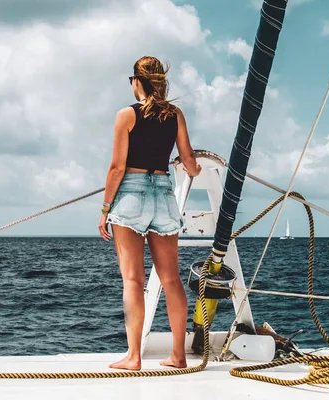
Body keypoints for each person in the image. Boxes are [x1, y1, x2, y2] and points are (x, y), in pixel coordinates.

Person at [98, 56, 201, 371]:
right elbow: (191, 165)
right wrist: (196, 166)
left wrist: (104, 210)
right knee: (171, 279)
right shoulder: (175, 115)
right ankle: (179, 356)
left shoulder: (125, 116)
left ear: (138, 82)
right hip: (164, 194)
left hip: (130, 195)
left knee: (132, 279)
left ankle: (134, 356)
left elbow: (117, 168)